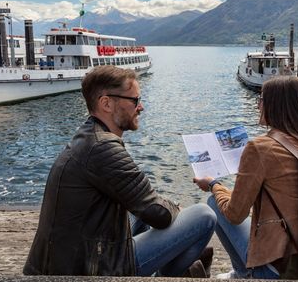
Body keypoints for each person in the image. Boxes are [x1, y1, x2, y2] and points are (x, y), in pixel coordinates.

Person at [24, 65, 216, 277]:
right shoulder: (102, 148)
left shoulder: (88, 136)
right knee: (204, 215)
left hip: (66, 258)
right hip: (90, 270)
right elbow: (158, 215)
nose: (140, 107)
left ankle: (180, 267)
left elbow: (144, 200)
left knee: (141, 210)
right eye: (134, 100)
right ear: (106, 103)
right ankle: (169, 275)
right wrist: (175, 208)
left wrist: (161, 206)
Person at [194, 76, 298, 279]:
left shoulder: (261, 148)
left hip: (280, 268)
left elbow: (235, 215)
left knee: (214, 203)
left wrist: (214, 184)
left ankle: (244, 272)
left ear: (273, 105)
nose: (258, 105)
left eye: (261, 99)